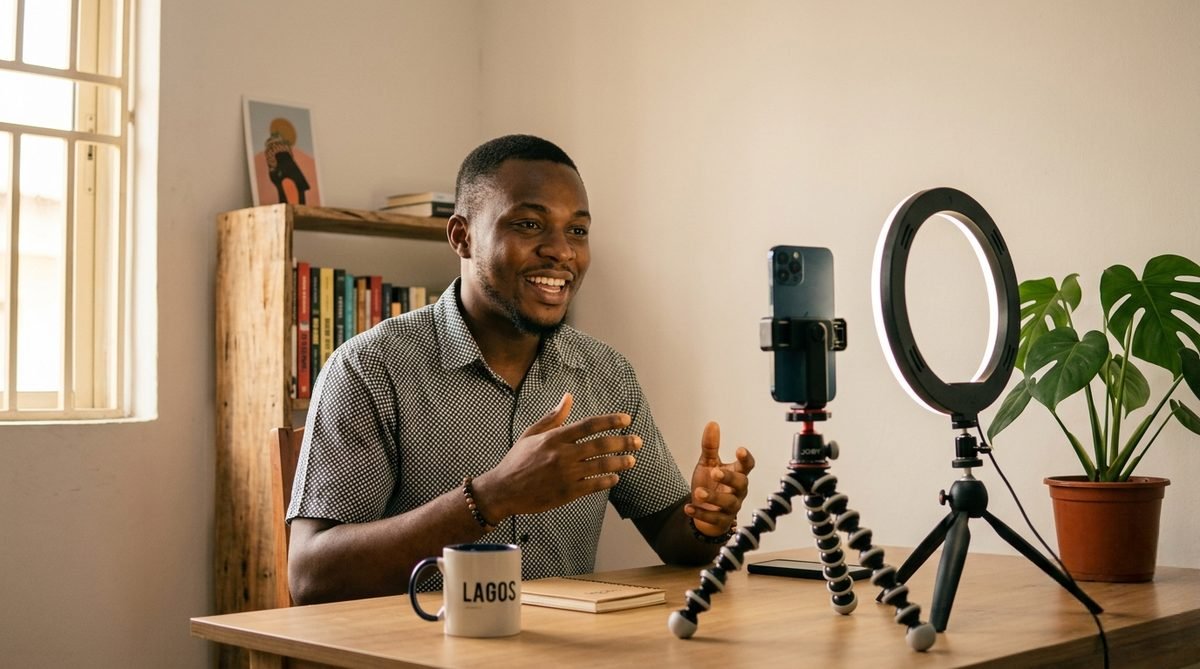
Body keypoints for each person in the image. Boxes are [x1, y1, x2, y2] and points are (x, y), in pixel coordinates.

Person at [286, 134, 755, 604]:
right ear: (461, 236)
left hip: (564, 653)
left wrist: (707, 519)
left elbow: (677, 540)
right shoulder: (371, 367)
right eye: (530, 224)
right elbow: (312, 579)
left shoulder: (606, 373)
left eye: (577, 231)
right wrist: (490, 498)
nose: (562, 251)